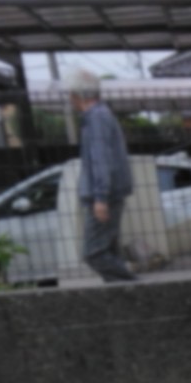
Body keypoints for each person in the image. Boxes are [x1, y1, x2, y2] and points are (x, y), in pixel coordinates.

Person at [67, 69, 139, 282]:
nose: (69, 98)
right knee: (108, 250)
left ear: (78, 95)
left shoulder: (96, 118)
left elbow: (101, 160)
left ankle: (133, 288)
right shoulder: (101, 115)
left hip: (103, 196)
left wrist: (100, 197)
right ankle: (126, 290)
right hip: (109, 193)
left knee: (94, 253)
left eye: (71, 93)